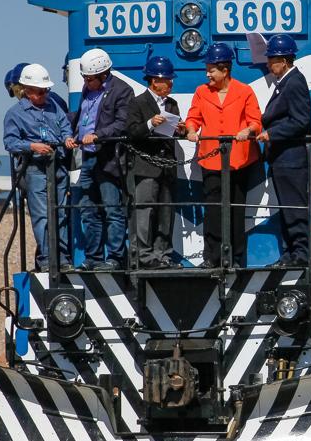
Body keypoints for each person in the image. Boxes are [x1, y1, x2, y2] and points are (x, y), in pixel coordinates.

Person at [185, 42, 262, 268]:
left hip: (239, 160)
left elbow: (255, 121)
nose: (207, 74)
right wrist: (191, 130)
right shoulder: (201, 92)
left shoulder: (244, 91)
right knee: (212, 210)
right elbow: (193, 118)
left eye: (211, 70)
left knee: (236, 209)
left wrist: (247, 131)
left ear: (225, 70)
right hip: (211, 159)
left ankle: (236, 258)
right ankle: (211, 257)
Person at [2, 64, 73, 272]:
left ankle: (63, 259)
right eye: (40, 92)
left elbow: (65, 126)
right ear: (27, 90)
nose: (44, 95)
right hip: (35, 169)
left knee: (60, 213)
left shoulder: (54, 106)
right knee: (42, 215)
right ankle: (47, 259)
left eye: (46, 91)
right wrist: (32, 146)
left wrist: (67, 138)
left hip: (58, 165)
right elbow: (10, 142)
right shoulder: (14, 114)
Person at [70, 48, 133, 271]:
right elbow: (82, 118)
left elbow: (122, 123)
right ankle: (93, 258)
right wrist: (71, 134)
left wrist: (98, 135)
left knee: (112, 209)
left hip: (108, 159)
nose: (86, 82)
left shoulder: (122, 91)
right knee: (88, 209)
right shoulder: (88, 90)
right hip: (88, 157)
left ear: (103, 75)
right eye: (84, 78)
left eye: (89, 78)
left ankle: (115, 258)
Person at [257, 34, 311, 268]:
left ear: (284, 60)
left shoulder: (295, 82)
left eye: (272, 60)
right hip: (281, 158)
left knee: (294, 206)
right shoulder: (284, 83)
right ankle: (291, 252)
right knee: (286, 207)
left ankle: (300, 253)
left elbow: (301, 120)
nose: (269, 64)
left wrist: (272, 133)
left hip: (291, 158)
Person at [126, 56, 184, 269]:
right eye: (167, 80)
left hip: (167, 166)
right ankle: (143, 256)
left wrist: (181, 130)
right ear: (154, 80)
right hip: (146, 166)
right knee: (144, 211)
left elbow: (174, 132)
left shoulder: (172, 104)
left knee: (165, 212)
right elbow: (132, 132)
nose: (170, 84)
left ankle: (163, 255)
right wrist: (150, 123)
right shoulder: (137, 103)